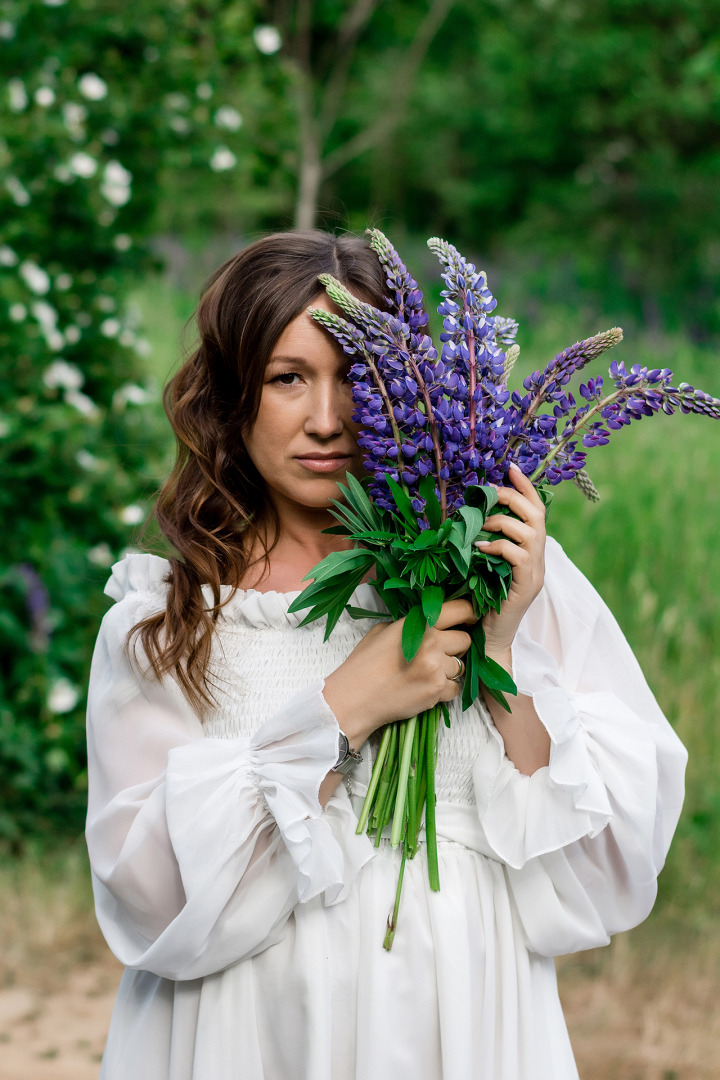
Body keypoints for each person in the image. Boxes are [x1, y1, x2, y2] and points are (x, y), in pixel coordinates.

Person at [85, 230, 687, 1080]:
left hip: (463, 1025)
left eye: (358, 379)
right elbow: (150, 902)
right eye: (288, 378)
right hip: (249, 1037)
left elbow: (606, 866)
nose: (328, 419)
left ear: (414, 396)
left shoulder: (497, 573)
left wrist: (500, 648)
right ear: (230, 397)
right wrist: (343, 709)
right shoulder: (172, 618)